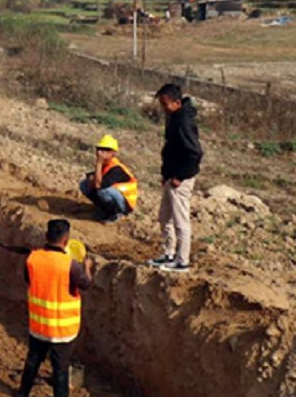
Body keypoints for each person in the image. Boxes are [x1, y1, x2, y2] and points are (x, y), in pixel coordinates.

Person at [17, 218, 95, 397]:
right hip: (61, 327)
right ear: (66, 241)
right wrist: (87, 266)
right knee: (60, 365)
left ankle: (23, 392)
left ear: (46, 237)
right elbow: (85, 284)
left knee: (34, 358)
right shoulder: (70, 265)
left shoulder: (32, 258)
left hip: (38, 322)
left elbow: (29, 279)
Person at [149, 83, 203, 273]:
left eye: (165, 104)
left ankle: (182, 261)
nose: (163, 109)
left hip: (181, 178)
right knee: (165, 217)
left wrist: (180, 176)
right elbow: (170, 149)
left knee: (180, 220)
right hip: (171, 176)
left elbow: (195, 153)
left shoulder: (184, 122)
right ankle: (168, 254)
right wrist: (165, 174)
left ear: (177, 102)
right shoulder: (173, 118)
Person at [78, 135, 138, 224]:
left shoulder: (117, 168)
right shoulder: (105, 165)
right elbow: (93, 178)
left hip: (126, 204)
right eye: (99, 149)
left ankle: (116, 214)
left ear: (113, 153)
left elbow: (99, 185)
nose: (100, 152)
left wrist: (98, 163)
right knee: (84, 184)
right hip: (115, 195)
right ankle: (104, 209)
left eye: (105, 150)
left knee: (103, 191)